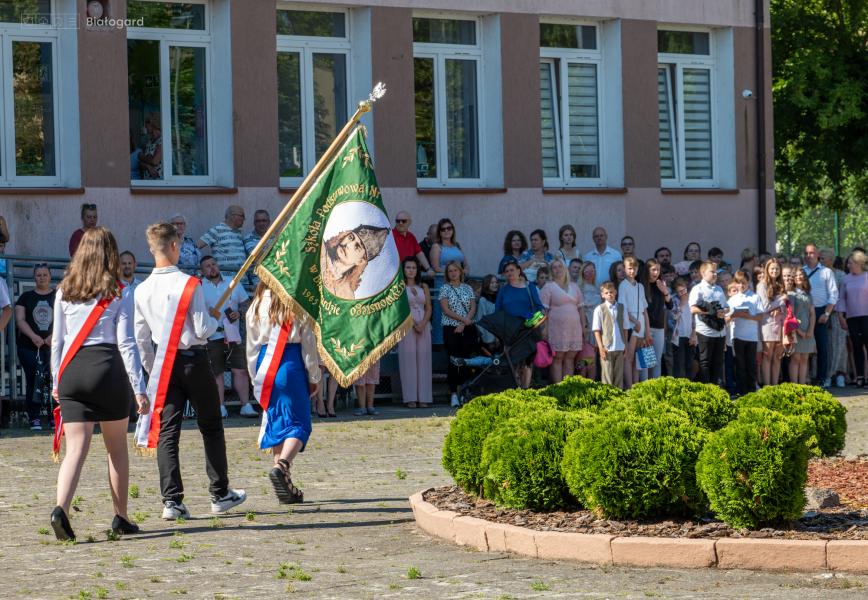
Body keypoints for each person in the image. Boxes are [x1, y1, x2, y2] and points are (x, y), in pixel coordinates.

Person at [134, 222, 246, 520]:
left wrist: (152, 369)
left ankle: (171, 500)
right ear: (175, 246)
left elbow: (141, 338)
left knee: (168, 432)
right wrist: (215, 316)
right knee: (210, 425)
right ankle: (219, 493)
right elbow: (202, 328)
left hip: (163, 364)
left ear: (151, 248)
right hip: (194, 360)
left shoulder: (141, 289)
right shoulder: (189, 283)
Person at [49, 227, 148, 541]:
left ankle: (60, 509)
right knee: (116, 449)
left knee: (75, 449)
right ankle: (121, 516)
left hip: (72, 372)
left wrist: (56, 380)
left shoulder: (64, 289)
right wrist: (139, 387)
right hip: (106, 368)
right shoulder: (120, 291)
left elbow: (58, 342)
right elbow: (127, 344)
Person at [246, 282, 320, 504]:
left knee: (278, 422)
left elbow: (250, 346)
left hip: (264, 365)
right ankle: (282, 465)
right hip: (290, 362)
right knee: (299, 424)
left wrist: (254, 378)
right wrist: (314, 376)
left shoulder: (256, 304)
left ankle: (285, 483)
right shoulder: (295, 304)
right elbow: (308, 344)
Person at [200, 255, 254, 418]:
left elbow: (246, 304)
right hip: (212, 335)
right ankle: (220, 407)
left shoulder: (233, 282)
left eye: (213, 264)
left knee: (240, 370)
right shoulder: (199, 286)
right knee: (217, 373)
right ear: (202, 271)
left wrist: (239, 312)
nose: (212, 268)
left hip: (233, 335)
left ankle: (246, 405)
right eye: (207, 266)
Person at [15, 263, 56, 430]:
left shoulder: (59, 296)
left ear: (50, 276)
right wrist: (34, 337)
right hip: (29, 347)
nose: (42, 278)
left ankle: (54, 416)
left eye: (45, 274)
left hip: (53, 347)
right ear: (34, 277)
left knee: (53, 382)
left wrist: (53, 337)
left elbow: (66, 318)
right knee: (33, 380)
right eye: (38, 275)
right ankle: (34, 418)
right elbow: (20, 320)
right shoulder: (25, 297)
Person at [496, 260, 544, 389]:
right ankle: (515, 389)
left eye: (512, 270)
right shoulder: (503, 290)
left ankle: (525, 390)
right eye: (506, 271)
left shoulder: (530, 287)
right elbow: (498, 311)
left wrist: (535, 321)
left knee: (527, 362)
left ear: (519, 271)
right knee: (513, 362)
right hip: (509, 331)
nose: (509, 273)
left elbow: (539, 307)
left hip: (527, 329)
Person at [539, 259, 584, 384]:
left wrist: (584, 326)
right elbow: (543, 312)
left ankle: (567, 387)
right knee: (557, 359)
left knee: (570, 358)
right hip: (556, 328)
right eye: (554, 267)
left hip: (574, 328)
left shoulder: (574, 286)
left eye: (560, 266)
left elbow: (581, 308)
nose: (557, 269)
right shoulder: (548, 287)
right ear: (551, 270)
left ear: (565, 269)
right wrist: (544, 329)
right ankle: (558, 387)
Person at [440, 262, 478, 405]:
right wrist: (462, 320)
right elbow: (446, 309)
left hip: (466, 328)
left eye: (455, 270)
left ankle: (465, 391)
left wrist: (463, 323)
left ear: (460, 272)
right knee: (453, 360)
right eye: (450, 271)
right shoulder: (445, 288)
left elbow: (473, 307)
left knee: (466, 360)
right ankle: (454, 393)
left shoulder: (467, 288)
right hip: (451, 328)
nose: (453, 273)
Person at [320, 225, 390, 300]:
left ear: (360, 261)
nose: (348, 244)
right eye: (350, 237)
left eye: (357, 247)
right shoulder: (320, 248)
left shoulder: (346, 295)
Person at [398, 257, 432, 408]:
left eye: (413, 267)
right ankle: (410, 398)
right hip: (407, 325)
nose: (411, 270)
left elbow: (429, 307)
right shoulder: (399, 287)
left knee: (424, 360)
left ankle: (424, 397)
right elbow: (399, 308)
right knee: (408, 360)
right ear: (403, 270)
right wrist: (413, 323)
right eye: (408, 267)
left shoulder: (423, 286)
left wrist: (423, 323)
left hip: (423, 324)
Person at [803, 244, 839, 388]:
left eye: (811, 253)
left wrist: (826, 313)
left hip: (820, 312)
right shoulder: (801, 271)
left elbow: (834, 294)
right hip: (804, 312)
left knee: (822, 347)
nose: (808, 256)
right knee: (804, 348)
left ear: (817, 254)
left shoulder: (826, 272)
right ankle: (805, 377)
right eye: (806, 253)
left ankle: (822, 378)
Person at [688, 261, 728, 386]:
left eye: (716, 272)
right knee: (705, 361)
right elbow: (692, 308)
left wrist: (723, 311)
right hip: (705, 330)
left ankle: (714, 389)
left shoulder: (719, 289)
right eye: (712, 272)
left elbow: (727, 307)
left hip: (720, 330)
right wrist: (708, 311)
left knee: (717, 362)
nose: (715, 274)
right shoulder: (697, 288)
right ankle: (705, 389)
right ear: (703, 273)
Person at [725, 270, 763, 395]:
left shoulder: (755, 297)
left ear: (749, 283)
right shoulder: (732, 299)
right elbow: (726, 318)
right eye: (739, 283)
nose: (741, 286)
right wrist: (734, 315)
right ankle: (742, 392)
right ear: (735, 283)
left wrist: (747, 316)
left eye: (744, 283)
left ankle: (751, 391)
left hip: (751, 337)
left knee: (751, 365)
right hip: (737, 336)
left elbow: (760, 317)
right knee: (739, 365)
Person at [430, 218, 466, 346]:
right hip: (443, 285)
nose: (446, 231)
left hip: (458, 285)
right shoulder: (436, 246)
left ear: (453, 230)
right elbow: (436, 268)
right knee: (442, 315)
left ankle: (457, 342)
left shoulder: (457, 245)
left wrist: (463, 271)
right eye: (443, 229)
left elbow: (466, 265)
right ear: (439, 232)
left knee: (459, 313)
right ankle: (440, 344)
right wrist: (453, 272)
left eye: (449, 228)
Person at [837, 250, 868, 388]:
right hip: (852, 317)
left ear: (859, 263)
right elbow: (842, 298)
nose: (848, 265)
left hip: (866, 316)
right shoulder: (846, 278)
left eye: (850, 263)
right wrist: (840, 316)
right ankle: (860, 376)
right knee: (856, 347)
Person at [618, 257, 650, 387]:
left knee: (639, 358)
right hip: (630, 324)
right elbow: (623, 307)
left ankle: (636, 385)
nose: (632, 271)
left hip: (640, 324)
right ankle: (629, 386)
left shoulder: (640, 286)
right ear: (625, 269)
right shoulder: (623, 285)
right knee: (629, 357)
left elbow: (644, 309)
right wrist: (635, 322)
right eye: (629, 268)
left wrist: (647, 330)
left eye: (634, 268)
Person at [592, 281, 631, 389]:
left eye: (612, 292)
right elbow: (596, 330)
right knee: (607, 376)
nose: (610, 294)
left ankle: (618, 398)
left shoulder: (622, 308)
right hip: (607, 347)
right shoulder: (599, 309)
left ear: (616, 292)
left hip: (619, 346)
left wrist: (626, 345)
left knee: (619, 376)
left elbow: (625, 328)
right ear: (602, 295)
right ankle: (607, 398)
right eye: (607, 292)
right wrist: (600, 347)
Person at [757, 258, 786, 386]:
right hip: (767, 324)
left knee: (777, 357)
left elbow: (785, 306)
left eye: (777, 268)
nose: (775, 271)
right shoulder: (762, 285)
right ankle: (767, 386)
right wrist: (780, 301)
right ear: (767, 270)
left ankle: (775, 385)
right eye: (772, 268)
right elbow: (765, 307)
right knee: (767, 356)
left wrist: (780, 307)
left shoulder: (781, 285)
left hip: (780, 324)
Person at [785, 267, 816, 385]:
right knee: (795, 358)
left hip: (808, 330)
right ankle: (794, 385)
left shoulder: (808, 295)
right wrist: (798, 331)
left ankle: (802, 385)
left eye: (801, 275)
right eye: (796, 275)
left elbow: (812, 314)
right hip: (795, 330)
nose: (799, 277)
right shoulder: (791, 294)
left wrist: (810, 330)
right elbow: (790, 314)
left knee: (804, 359)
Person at [643, 259, 672, 379]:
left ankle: (656, 386)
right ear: (647, 270)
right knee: (646, 361)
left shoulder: (660, 284)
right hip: (646, 328)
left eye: (658, 270)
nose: (656, 272)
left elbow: (670, 306)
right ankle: (643, 387)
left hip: (659, 327)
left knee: (657, 361)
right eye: (653, 269)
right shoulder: (642, 285)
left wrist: (665, 292)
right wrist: (647, 331)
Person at [197, 206, 248, 275]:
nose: (244, 219)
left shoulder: (238, 233)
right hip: (226, 281)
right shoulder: (217, 230)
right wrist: (200, 271)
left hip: (242, 280)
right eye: (242, 216)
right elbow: (196, 247)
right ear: (233, 216)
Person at [824, 251, 848, 387]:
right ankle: (825, 374)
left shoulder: (841, 275)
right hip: (822, 314)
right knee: (826, 346)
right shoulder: (819, 274)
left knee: (839, 346)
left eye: (823, 258)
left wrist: (835, 311)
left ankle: (839, 374)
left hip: (837, 314)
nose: (821, 260)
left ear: (831, 260)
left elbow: (843, 296)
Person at [670, 277, 696, 379]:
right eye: (679, 292)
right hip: (678, 336)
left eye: (683, 290)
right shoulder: (674, 300)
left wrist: (694, 334)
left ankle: (689, 386)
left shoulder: (693, 299)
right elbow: (674, 316)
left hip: (691, 335)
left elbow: (696, 318)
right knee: (679, 364)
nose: (682, 293)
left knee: (689, 363)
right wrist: (681, 304)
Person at [244, 209, 272, 285]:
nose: (261, 223)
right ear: (254, 223)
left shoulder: (275, 238)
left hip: (273, 279)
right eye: (258, 221)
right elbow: (257, 257)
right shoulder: (248, 238)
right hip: (256, 281)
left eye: (264, 220)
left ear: (269, 222)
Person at [475, 274, 500, 352]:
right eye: (492, 283)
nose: (495, 285)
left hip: (499, 334)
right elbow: (482, 320)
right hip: (489, 337)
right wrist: (490, 339)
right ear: (486, 284)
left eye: (496, 282)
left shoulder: (499, 298)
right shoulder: (483, 300)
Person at [138, 112, 163, 180]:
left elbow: (155, 161)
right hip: (148, 181)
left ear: (153, 124)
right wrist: (148, 166)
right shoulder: (149, 142)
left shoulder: (163, 140)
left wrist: (141, 156)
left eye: (146, 122)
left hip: (159, 182)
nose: (145, 125)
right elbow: (140, 163)